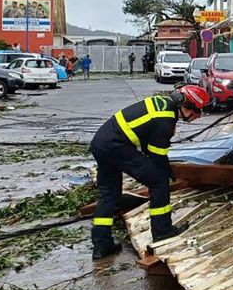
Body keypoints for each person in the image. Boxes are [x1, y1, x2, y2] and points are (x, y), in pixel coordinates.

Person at [89, 84, 210, 259]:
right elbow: (157, 155)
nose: (198, 117)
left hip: (101, 144)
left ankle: (101, 246)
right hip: (117, 147)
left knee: (109, 195)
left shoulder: (161, 104)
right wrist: (168, 174)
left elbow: (147, 145)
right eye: (197, 111)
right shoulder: (166, 119)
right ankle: (163, 231)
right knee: (159, 182)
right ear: (186, 106)